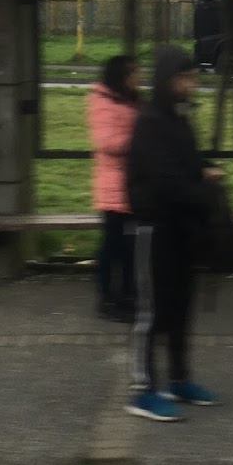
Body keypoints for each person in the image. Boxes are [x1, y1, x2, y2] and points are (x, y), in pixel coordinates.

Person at [125, 45, 222, 422]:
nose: (190, 85)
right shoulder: (149, 122)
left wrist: (205, 170)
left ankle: (179, 379)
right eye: (184, 78)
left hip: (182, 229)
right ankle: (143, 390)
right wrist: (203, 191)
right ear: (167, 80)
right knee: (151, 311)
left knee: (181, 307)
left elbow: (188, 163)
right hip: (154, 228)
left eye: (192, 77)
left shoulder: (180, 119)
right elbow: (165, 181)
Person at [89, 54, 141, 323]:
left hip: (130, 186)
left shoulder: (129, 100)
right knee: (113, 245)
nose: (138, 77)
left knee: (130, 244)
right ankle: (108, 297)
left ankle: (128, 294)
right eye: (133, 72)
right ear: (121, 76)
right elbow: (106, 141)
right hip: (113, 189)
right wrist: (139, 140)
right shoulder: (104, 102)